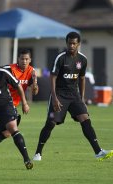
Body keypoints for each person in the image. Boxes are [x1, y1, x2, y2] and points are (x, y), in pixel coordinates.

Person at [33, 32, 113, 162]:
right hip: (59, 94)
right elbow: (52, 77)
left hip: (74, 95)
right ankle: (38, 153)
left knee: (85, 119)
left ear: (78, 44)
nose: (71, 45)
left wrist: (81, 99)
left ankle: (98, 151)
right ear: (66, 43)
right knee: (51, 124)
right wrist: (54, 97)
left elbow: (82, 78)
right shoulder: (60, 58)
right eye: (69, 43)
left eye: (74, 43)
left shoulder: (82, 60)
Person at [0, 49, 39, 157]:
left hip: (13, 104)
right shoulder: (9, 69)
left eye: (26, 59)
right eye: (22, 59)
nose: (24, 61)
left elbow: (35, 92)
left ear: (30, 60)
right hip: (3, 102)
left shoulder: (31, 72)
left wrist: (35, 86)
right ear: (18, 59)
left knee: (8, 133)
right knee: (13, 125)